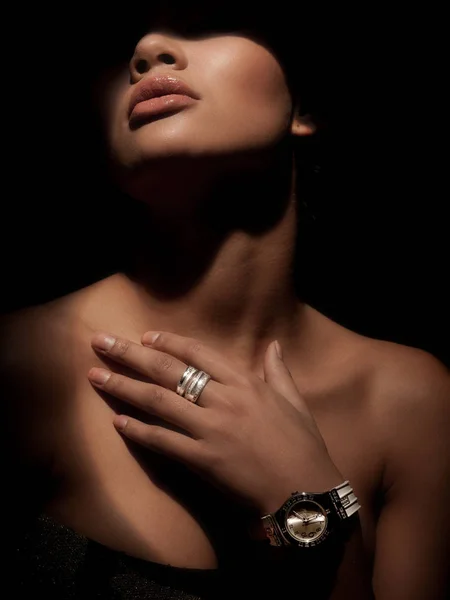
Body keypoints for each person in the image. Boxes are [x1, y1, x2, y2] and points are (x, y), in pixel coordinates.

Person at [2, 3, 449, 599]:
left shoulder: (409, 401)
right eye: (117, 47)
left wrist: (301, 495)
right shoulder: (21, 365)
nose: (148, 46)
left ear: (306, 106)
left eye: (208, 18)